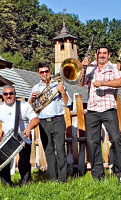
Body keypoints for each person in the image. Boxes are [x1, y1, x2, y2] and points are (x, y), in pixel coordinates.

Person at [79, 46, 121, 182]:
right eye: (99, 53)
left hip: (109, 109)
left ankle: (119, 172)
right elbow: (80, 83)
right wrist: (83, 68)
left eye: (104, 53)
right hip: (92, 110)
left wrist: (102, 83)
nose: (102, 55)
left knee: (116, 139)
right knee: (92, 142)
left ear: (109, 55)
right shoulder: (90, 69)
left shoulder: (114, 68)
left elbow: (119, 82)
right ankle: (97, 175)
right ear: (96, 55)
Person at [28, 63, 71, 182]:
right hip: (43, 122)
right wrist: (32, 98)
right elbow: (29, 108)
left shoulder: (57, 84)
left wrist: (62, 92)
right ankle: (53, 178)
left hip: (58, 120)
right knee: (49, 150)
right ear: (38, 74)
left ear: (50, 71)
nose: (44, 74)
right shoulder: (35, 88)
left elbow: (68, 103)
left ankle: (63, 179)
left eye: (46, 71)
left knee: (61, 149)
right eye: (41, 72)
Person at [0, 85, 39, 186]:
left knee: (24, 162)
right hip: (7, 139)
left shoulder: (24, 105)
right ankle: (7, 185)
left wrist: (28, 128)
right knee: (3, 162)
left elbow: (35, 119)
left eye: (11, 93)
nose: (8, 96)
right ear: (2, 96)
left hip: (22, 138)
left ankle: (25, 183)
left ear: (15, 94)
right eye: (6, 94)